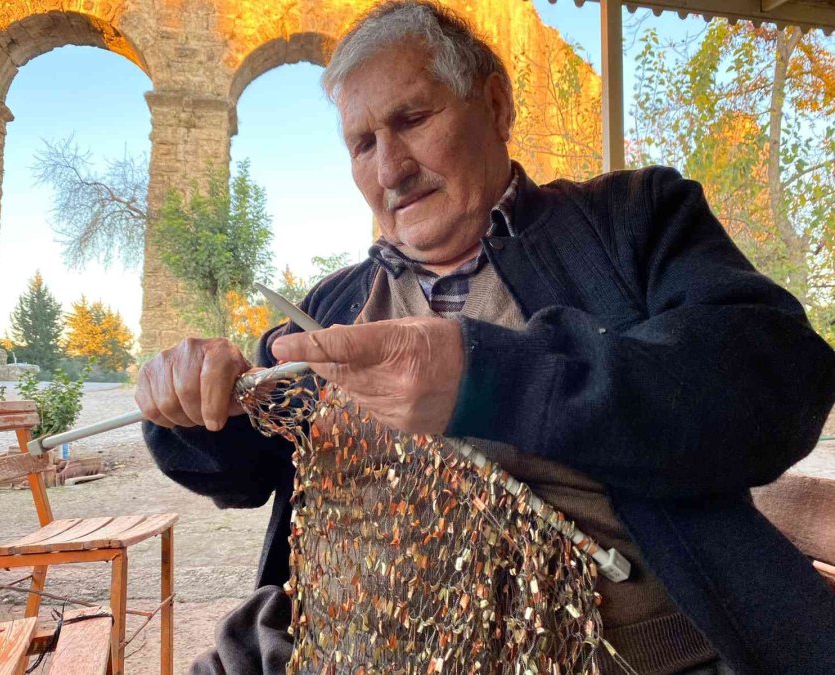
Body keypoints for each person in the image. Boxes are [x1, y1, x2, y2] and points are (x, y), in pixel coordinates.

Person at [136, 2, 835, 673]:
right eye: (362, 143)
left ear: (496, 107)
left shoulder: (630, 224)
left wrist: (490, 378)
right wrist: (193, 402)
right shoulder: (336, 304)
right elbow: (238, 465)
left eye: (411, 119)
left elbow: (775, 382)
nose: (390, 168)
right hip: (329, 647)